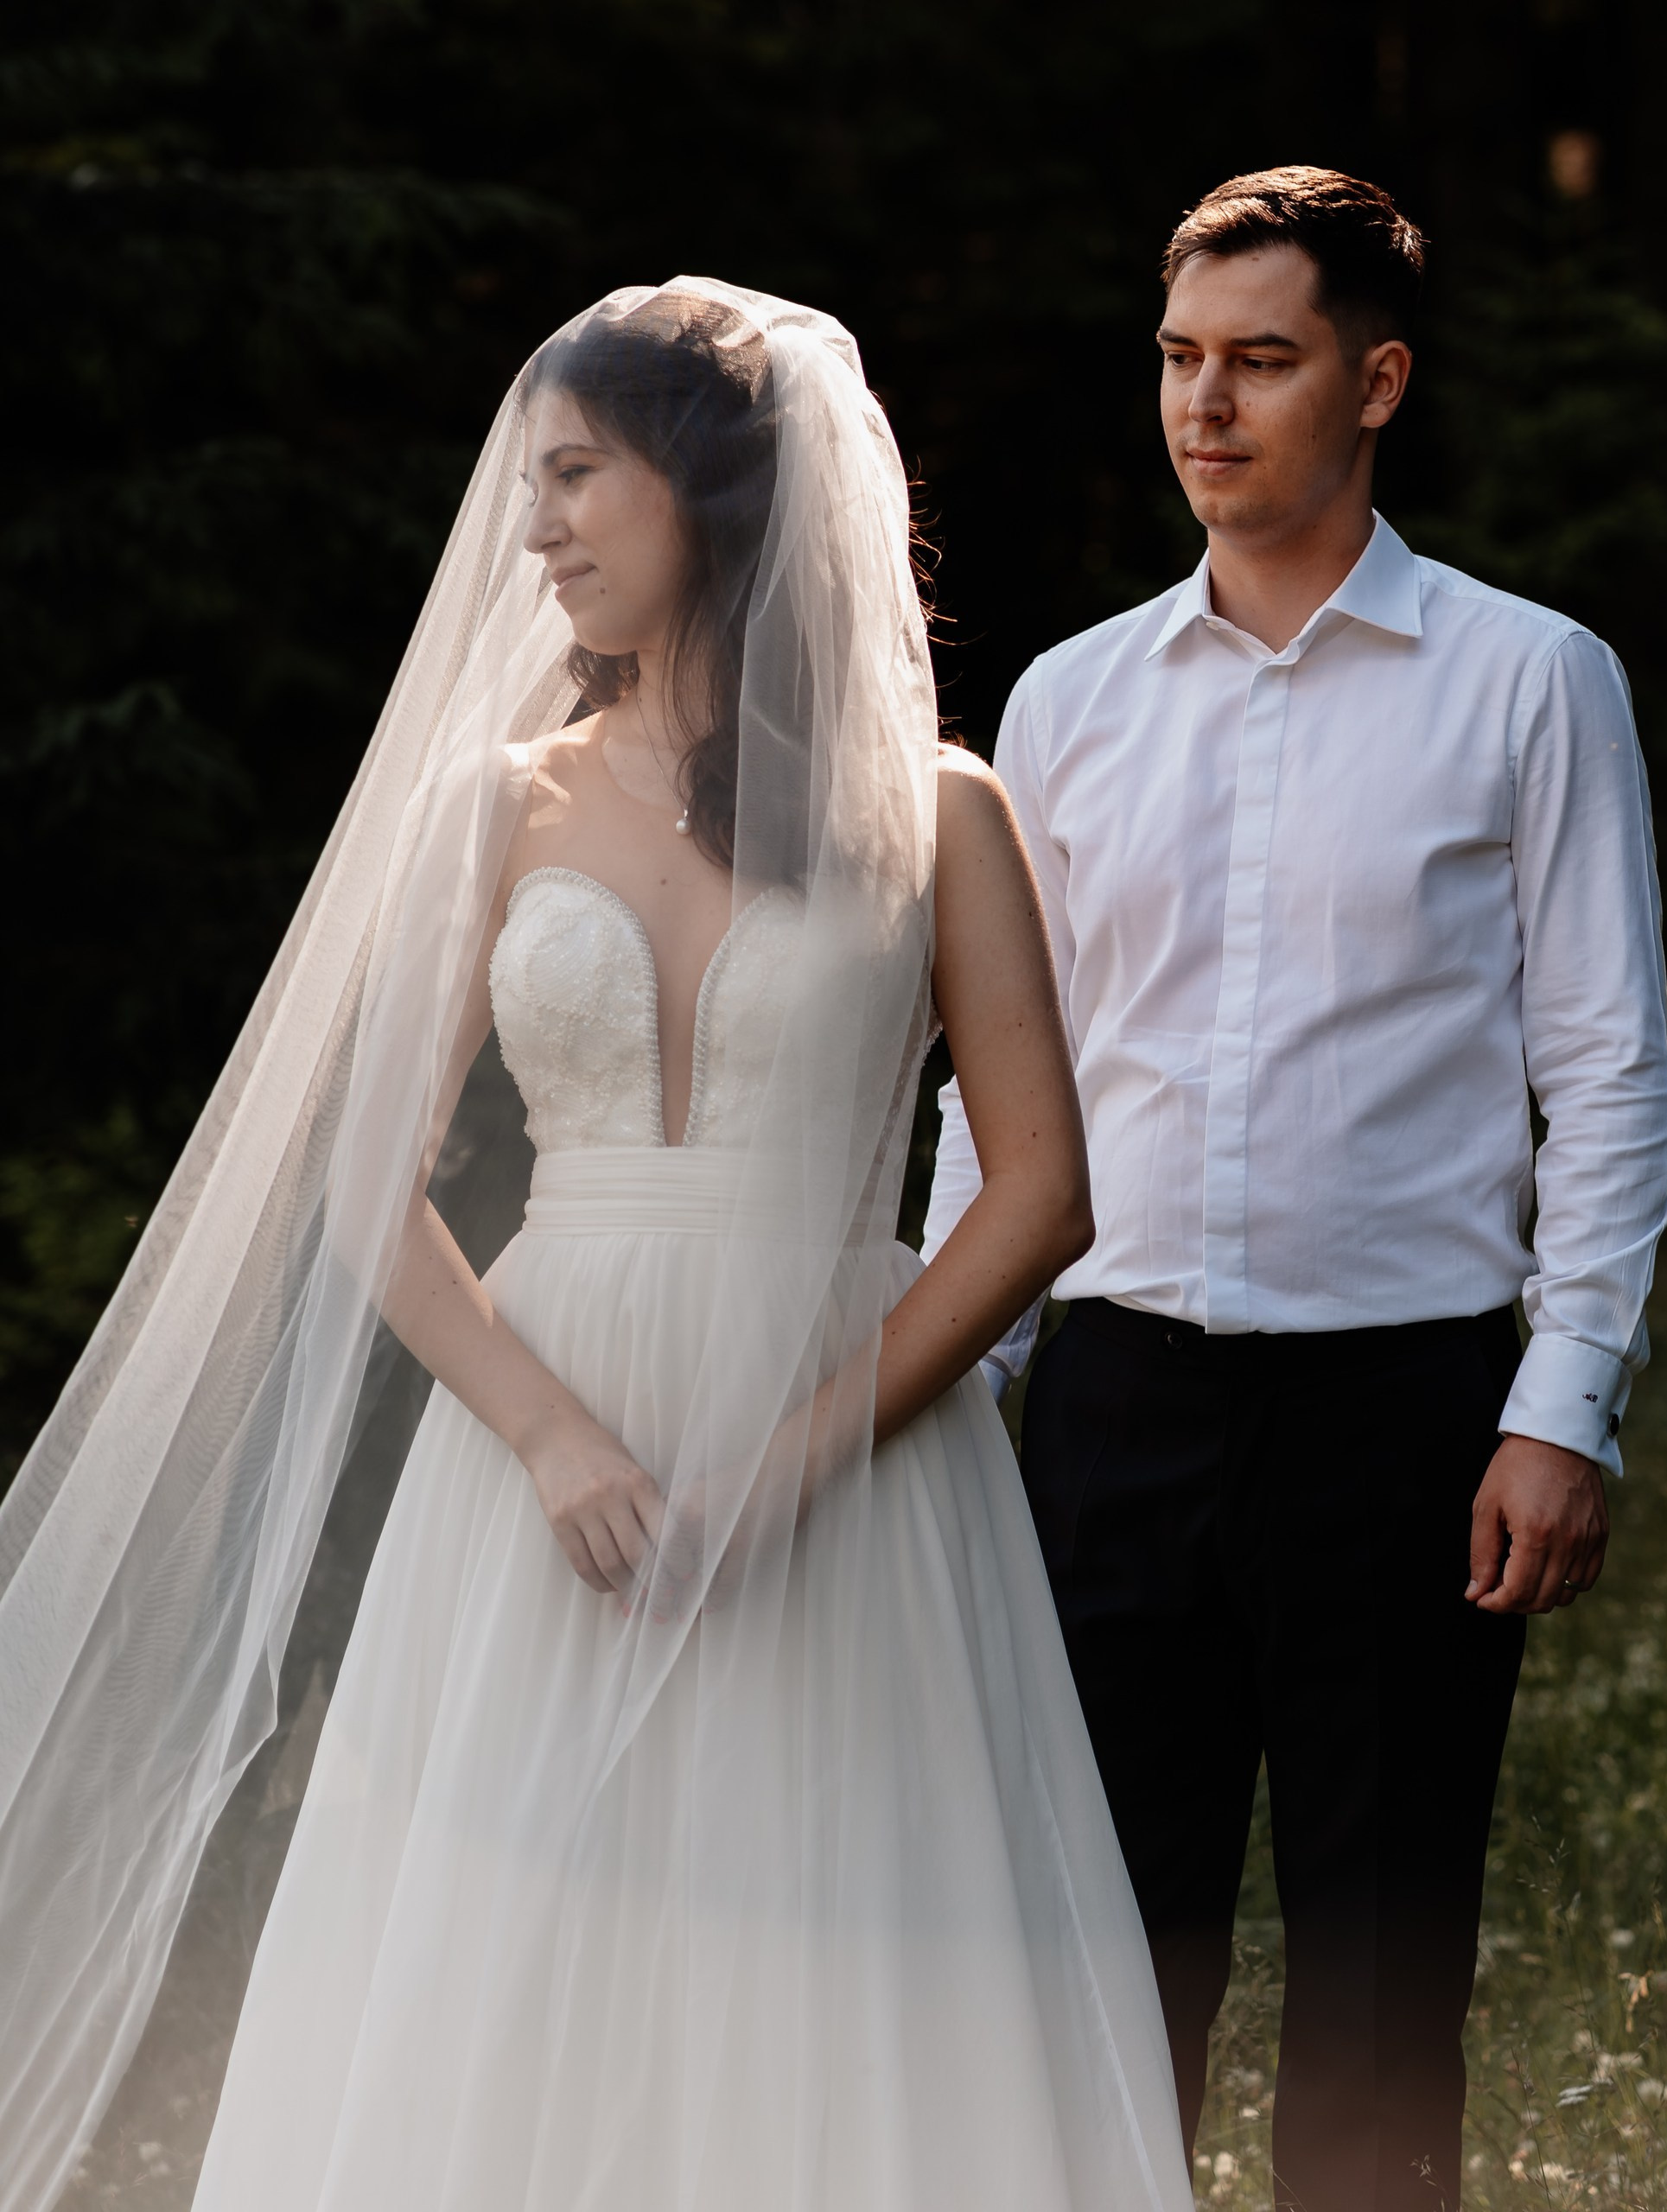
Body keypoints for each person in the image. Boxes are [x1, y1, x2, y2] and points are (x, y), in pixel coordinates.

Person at [0, 284, 1194, 2211]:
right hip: (550, 1455)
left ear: (709, 488)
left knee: (835, 1920)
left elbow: (1043, 1189)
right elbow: (362, 1185)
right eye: (530, 482)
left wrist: (809, 1447)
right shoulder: (500, 806)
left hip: (852, 1453)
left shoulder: (937, 809)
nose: (534, 526)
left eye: (574, 476)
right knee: (520, 1945)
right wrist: (550, 1431)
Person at [923, 168, 1667, 2211]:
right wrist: (944, 1387)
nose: (1206, 402)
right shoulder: (1065, 702)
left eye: (1261, 358)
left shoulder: (1533, 680)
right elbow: (999, 1093)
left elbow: (1607, 1069)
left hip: (1408, 1416)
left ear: (1378, 381)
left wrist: (1561, 1400)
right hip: (1110, 1412)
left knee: (1375, 1991)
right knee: (1094, 1974)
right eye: (1179, 356)